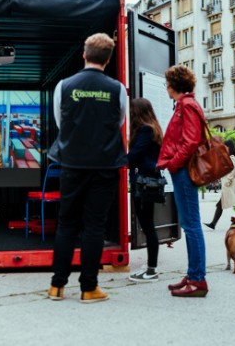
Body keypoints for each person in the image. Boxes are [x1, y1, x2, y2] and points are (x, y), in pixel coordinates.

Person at [46, 33, 128, 303]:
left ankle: (57, 286)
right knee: (94, 226)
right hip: (104, 166)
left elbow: (61, 123)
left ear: (84, 54)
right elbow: (117, 123)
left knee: (66, 224)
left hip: (72, 164)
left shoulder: (64, 86)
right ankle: (88, 288)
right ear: (108, 58)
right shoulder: (118, 89)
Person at [156, 64, 208, 298]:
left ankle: (198, 279)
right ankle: (193, 273)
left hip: (184, 171)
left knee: (191, 225)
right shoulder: (185, 104)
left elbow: (190, 141)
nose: (166, 87)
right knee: (189, 224)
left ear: (173, 85)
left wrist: (174, 163)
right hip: (182, 170)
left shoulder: (186, 105)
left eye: (167, 83)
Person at [127, 98, 164, 283]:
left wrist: (119, 159)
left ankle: (151, 270)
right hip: (149, 182)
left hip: (143, 183)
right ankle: (151, 267)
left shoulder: (145, 130)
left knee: (148, 226)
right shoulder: (153, 128)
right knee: (148, 225)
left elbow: (134, 157)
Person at [204, 140, 235, 231]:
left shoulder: (231, 157)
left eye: (225, 147)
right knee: (226, 205)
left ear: (229, 148)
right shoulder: (229, 157)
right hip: (230, 187)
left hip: (230, 186)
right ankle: (213, 223)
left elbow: (232, 170)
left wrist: (229, 181)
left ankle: (213, 223)